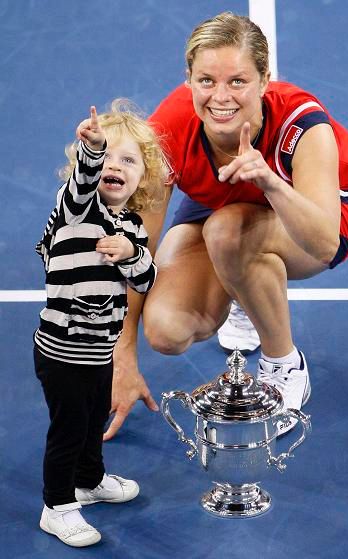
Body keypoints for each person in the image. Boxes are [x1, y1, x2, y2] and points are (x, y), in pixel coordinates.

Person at [105, 12, 348, 442]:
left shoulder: (302, 126)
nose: (220, 97)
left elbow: (325, 243)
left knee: (228, 232)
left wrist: (269, 181)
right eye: (207, 80)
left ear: (265, 80)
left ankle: (284, 364)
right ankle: (246, 287)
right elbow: (138, 242)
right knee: (167, 330)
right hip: (219, 199)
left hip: (323, 205)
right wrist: (123, 354)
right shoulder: (169, 129)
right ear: (188, 79)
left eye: (238, 81)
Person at [33, 100, 167, 547]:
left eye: (128, 160)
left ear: (142, 178)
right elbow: (83, 181)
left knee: (92, 421)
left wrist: (131, 254)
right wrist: (93, 150)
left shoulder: (130, 225)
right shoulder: (75, 209)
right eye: (105, 156)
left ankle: (89, 480)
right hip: (62, 348)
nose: (114, 165)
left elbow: (147, 277)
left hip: (99, 348)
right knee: (69, 429)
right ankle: (57, 507)